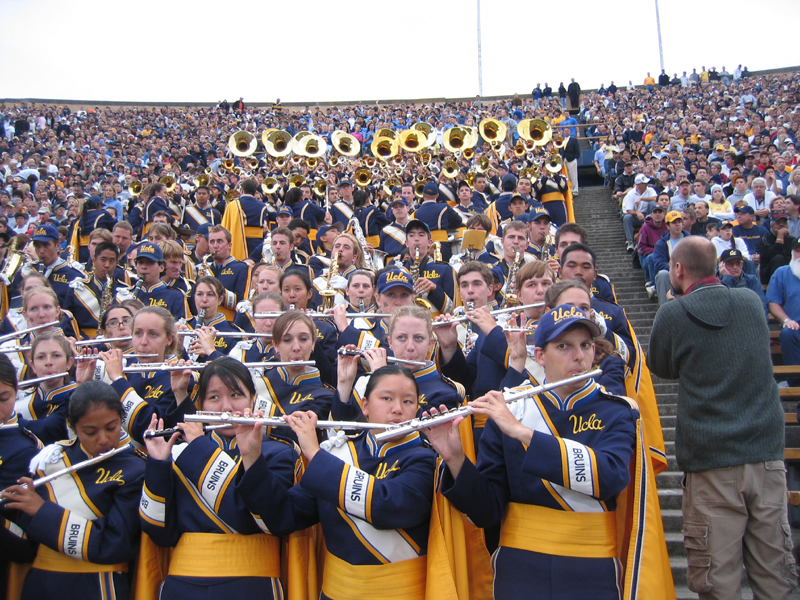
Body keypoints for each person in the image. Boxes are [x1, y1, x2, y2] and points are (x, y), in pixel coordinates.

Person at [426, 305, 669, 600]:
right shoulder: (513, 408)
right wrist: (455, 459)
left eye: (585, 345)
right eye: (564, 346)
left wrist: (523, 433)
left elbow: (610, 476)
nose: (578, 356)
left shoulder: (617, 410)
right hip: (520, 566)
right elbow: (487, 511)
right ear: (539, 356)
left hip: (592, 568)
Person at [649, 236, 796, 599]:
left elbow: (661, 366)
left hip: (712, 462)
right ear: (716, 265)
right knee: (775, 574)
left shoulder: (673, 313)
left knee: (718, 580)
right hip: (766, 458)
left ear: (678, 270)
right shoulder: (748, 301)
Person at [246, 363, 437, 600]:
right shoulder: (340, 452)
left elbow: (389, 506)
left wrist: (315, 456)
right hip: (336, 592)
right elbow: (283, 516)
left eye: (407, 401)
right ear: (365, 406)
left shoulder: (425, 457)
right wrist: (251, 457)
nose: (397, 409)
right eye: (386, 398)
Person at [140, 357, 299, 599]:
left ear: (253, 400)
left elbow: (266, 521)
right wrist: (158, 466)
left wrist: (199, 449)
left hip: (252, 584)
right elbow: (161, 534)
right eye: (214, 397)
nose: (226, 407)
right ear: (200, 404)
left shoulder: (278, 452)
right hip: (183, 584)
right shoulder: (178, 453)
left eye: (236, 395)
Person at [2, 381, 145, 600]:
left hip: (97, 586)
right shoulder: (50, 461)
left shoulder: (135, 469)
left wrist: (41, 511)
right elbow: (25, 549)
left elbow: (115, 543)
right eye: (90, 432)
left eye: (111, 427)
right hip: (41, 584)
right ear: (73, 427)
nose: (103, 439)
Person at [14, 333, 76, 444]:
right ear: (32, 366)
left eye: (56, 355)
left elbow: (46, 431)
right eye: (41, 357)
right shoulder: (22, 398)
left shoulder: (75, 396)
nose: (48, 362)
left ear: (69, 363)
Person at [622, 174, 657, 251]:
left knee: (652, 203)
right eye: (644, 183)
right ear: (638, 185)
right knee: (627, 217)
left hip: (648, 213)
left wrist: (642, 198)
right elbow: (629, 210)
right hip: (636, 216)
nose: (646, 184)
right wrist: (637, 213)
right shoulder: (631, 194)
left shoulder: (650, 190)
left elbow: (655, 198)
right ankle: (630, 241)